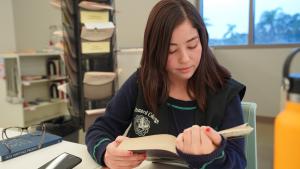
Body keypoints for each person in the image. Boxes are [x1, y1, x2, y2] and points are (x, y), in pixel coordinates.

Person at [86, 0, 247, 168]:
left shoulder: (225, 92)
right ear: (155, 50)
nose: (184, 58)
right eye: (171, 50)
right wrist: (106, 152)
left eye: (192, 45)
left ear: (203, 40)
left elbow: (238, 163)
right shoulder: (141, 81)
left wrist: (212, 156)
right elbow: (100, 129)